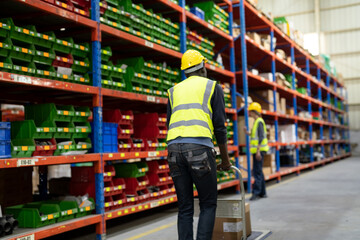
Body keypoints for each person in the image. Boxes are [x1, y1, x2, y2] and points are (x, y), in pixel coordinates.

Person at [166, 49, 232, 240]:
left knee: (185, 206)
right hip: (199, 148)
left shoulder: (173, 90)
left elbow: (169, 122)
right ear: (202, 66)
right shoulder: (212, 86)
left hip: (173, 150)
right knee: (208, 203)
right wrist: (225, 160)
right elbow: (220, 127)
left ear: (185, 71)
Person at [243, 102, 269, 201]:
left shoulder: (259, 121)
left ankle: (256, 193)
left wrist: (258, 151)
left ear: (254, 112)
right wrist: (247, 133)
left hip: (259, 151)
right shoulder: (257, 121)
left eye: (250, 112)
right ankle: (263, 192)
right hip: (258, 150)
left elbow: (261, 137)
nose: (249, 113)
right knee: (259, 172)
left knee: (257, 172)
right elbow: (255, 135)